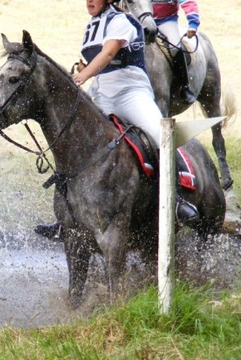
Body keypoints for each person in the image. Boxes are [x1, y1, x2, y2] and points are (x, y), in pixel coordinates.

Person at [34, 0, 198, 239]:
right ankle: (65, 217)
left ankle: (178, 201)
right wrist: (84, 68)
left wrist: (81, 76)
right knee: (71, 138)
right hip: (101, 93)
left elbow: (110, 52)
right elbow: (98, 58)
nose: (89, 1)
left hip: (130, 93)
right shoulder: (93, 25)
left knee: (160, 135)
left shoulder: (122, 20)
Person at [152, 0, 199, 104]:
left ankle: (183, 87)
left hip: (165, 21)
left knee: (175, 47)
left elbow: (188, 2)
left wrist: (193, 23)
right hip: (140, 21)